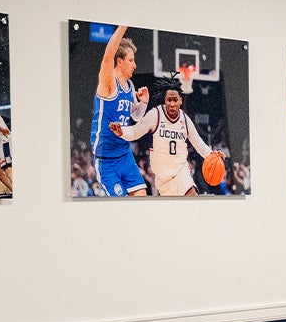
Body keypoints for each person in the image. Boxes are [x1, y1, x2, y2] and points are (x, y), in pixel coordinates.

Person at [122, 83, 212, 197]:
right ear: (165, 100)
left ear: (181, 101)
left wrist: (212, 155)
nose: (172, 104)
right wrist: (121, 131)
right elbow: (135, 132)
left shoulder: (185, 119)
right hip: (163, 178)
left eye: (175, 100)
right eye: (169, 100)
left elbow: (199, 144)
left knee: (191, 196)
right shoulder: (156, 114)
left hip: (180, 171)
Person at [90, 25, 149, 198]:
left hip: (125, 155)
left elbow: (135, 116)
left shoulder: (129, 86)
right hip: (107, 160)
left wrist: (143, 103)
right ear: (120, 61)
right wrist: (124, 24)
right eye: (131, 60)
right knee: (122, 210)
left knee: (142, 200)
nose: (135, 65)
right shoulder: (109, 83)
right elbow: (108, 56)